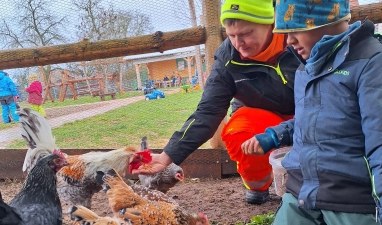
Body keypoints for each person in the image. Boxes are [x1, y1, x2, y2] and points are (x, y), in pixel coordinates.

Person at [132, 0, 300, 205]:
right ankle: (258, 184)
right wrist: (167, 156)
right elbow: (208, 112)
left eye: (246, 33)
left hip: (305, 110)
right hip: (260, 115)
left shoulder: (299, 39)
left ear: (270, 22)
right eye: (231, 35)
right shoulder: (227, 58)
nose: (239, 43)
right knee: (238, 132)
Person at [241, 1, 382, 224]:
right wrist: (274, 136)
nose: (290, 40)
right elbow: (311, 121)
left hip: (350, 199)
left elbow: (379, 142)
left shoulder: (369, 63)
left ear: (326, 18)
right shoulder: (305, 68)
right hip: (301, 193)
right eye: (286, 32)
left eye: (296, 30)